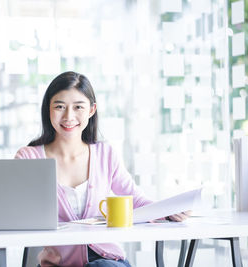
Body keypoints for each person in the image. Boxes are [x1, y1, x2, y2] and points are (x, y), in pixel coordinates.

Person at [15, 71, 190, 267]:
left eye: (78, 107)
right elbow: (17, 212)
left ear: (91, 110)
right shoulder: (29, 157)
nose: (68, 116)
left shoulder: (105, 154)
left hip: (106, 260)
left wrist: (168, 211)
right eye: (60, 107)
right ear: (48, 110)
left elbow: (135, 199)